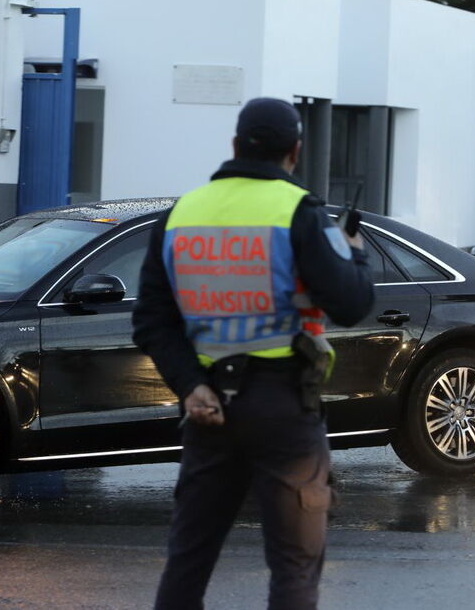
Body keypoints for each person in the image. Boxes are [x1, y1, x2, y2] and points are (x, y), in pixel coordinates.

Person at [132, 97, 374, 610]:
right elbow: (352, 305)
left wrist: (189, 384)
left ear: (235, 146)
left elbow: (151, 319)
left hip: (208, 404)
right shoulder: (298, 212)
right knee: (294, 568)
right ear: (296, 151)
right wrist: (352, 252)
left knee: (188, 561)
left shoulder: (182, 214)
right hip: (283, 406)